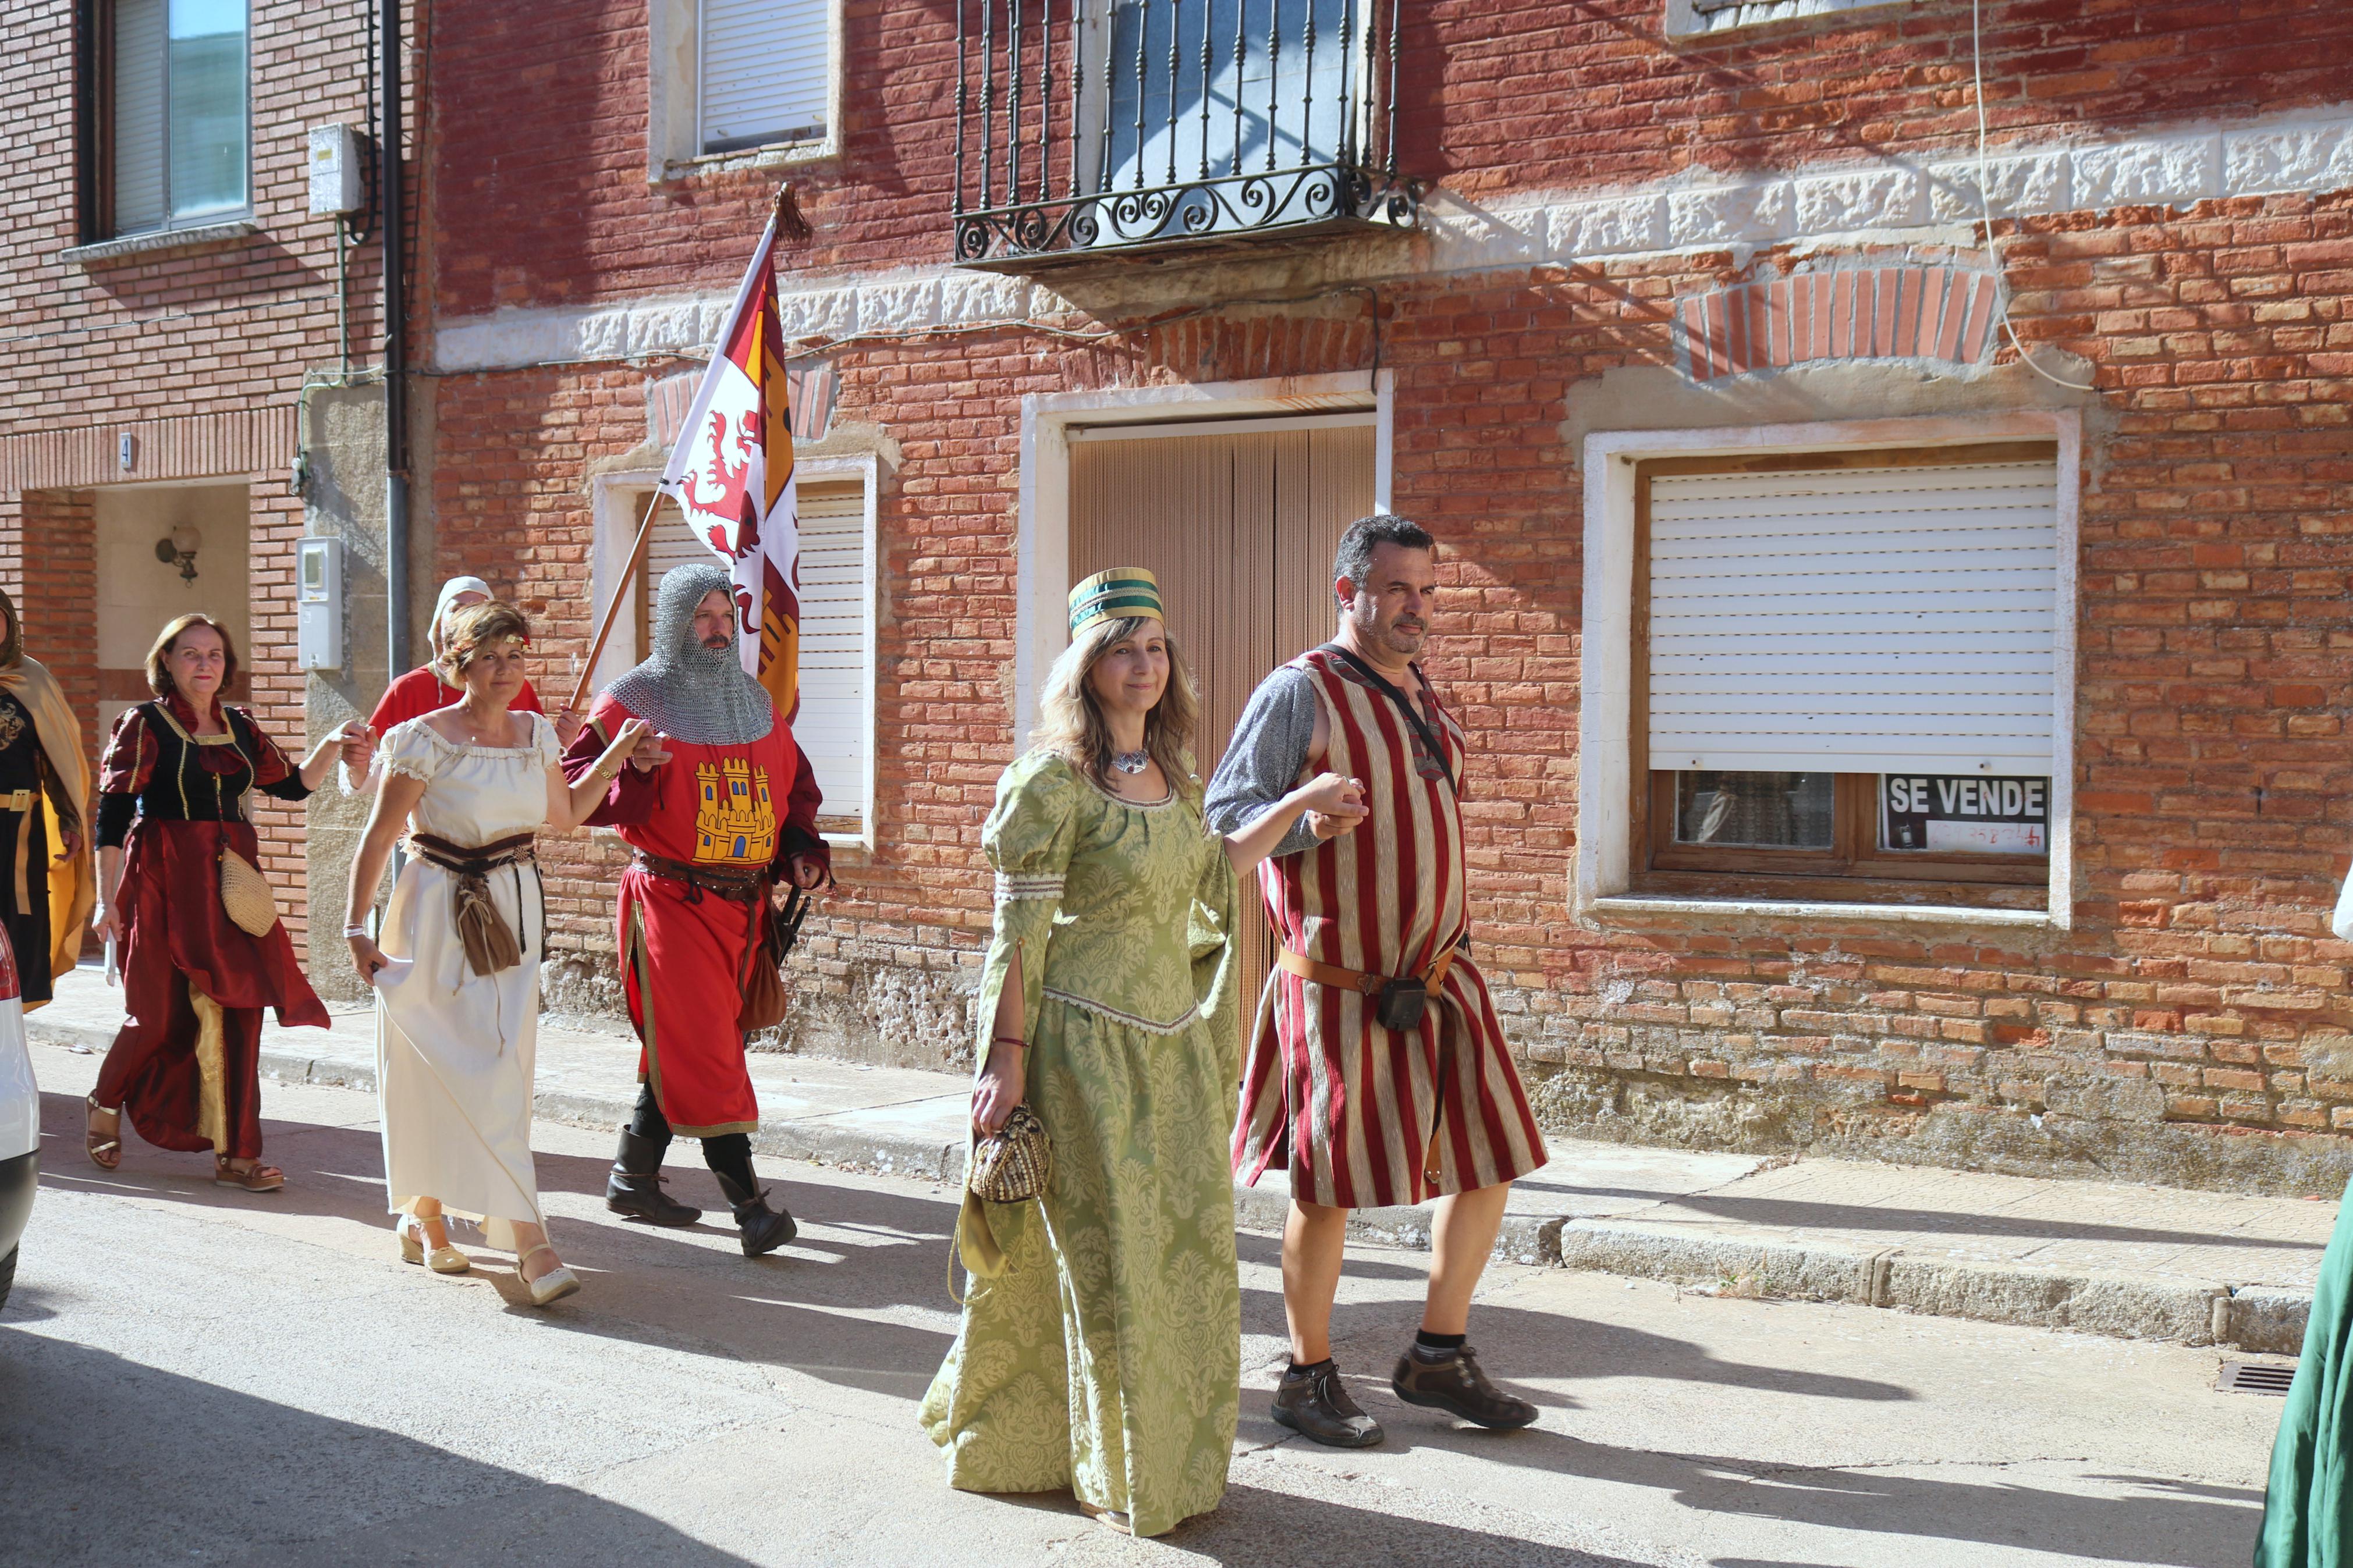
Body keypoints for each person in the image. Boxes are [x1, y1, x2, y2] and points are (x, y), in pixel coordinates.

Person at [920, 568, 1367, 1538]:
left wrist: (1295, 811)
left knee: (1180, 1266)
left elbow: (1213, 870)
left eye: (1155, 647)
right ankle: (1106, 1467)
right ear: (1085, 669)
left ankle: (1150, 1456)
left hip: (1169, 1058)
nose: (1143, 665)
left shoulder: (1180, 779)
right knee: (1110, 1265)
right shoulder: (1049, 785)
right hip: (1079, 1051)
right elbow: (1016, 936)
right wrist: (1003, 1057)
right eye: (1122, 649)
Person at [1205, 514, 1550, 1448]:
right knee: (1327, 1186)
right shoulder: (1298, 691)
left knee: (1490, 1158)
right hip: (1336, 983)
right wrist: (1308, 820)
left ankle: (1437, 1353)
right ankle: (1305, 1373)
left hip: (1441, 980)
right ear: (1347, 591)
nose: (1416, 608)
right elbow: (1220, 821)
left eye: (1428, 591)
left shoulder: (1422, 691)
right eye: (1397, 589)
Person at [345, 601, 651, 1308]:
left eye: (515, 655)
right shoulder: (422, 739)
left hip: (510, 913)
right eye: (489, 656)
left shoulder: (536, 733)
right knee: (443, 1068)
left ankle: (427, 1212)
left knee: (500, 1073)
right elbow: (378, 837)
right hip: (434, 911)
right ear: (457, 663)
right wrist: (354, 929)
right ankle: (525, 1241)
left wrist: (614, 755)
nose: (506, 669)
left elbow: (566, 814)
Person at [562, 563, 829, 1256]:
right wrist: (633, 771)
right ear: (675, 625)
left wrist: (800, 851)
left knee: (689, 1040)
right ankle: (750, 1207)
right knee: (708, 1048)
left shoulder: (756, 704)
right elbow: (571, 789)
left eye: (723, 615)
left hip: (744, 910)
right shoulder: (631, 701)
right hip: (672, 902)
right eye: (702, 616)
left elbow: (795, 790)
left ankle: (632, 1175)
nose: (716, 628)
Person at [83, 615, 369, 1190]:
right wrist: (104, 900)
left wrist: (331, 746)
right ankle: (106, 1095)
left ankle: (239, 1154)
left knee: (243, 1008)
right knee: (159, 1012)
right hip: (162, 875)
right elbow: (112, 814)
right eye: (190, 653)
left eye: (214, 654)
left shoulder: (240, 725)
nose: (204, 664)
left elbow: (290, 785)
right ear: (166, 660)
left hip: (232, 880)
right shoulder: (144, 724)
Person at [352, 577, 581, 791]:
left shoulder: (512, 686)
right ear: (441, 622)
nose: (503, 670)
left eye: (478, 609)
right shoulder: (409, 688)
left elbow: (536, 779)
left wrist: (559, 746)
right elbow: (375, 776)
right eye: (457, 609)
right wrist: (359, 764)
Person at [0, 588, 93, 1012]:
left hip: (19, 833)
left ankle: (10, 1049)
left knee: (18, 934)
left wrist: (71, 820)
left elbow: (61, 759)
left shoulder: (32, 680)